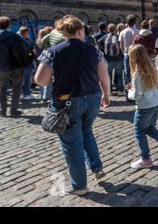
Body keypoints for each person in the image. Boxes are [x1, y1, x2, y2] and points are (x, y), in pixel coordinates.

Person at [35, 15, 110, 196]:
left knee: (71, 145)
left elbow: (41, 81)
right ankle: (96, 167)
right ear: (79, 31)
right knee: (86, 131)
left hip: (67, 101)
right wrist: (107, 94)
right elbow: (103, 76)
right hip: (92, 98)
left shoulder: (53, 51)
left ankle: (79, 186)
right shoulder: (94, 50)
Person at [0, 16, 25, 117]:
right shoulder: (14, 35)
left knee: (2, 88)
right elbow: (27, 45)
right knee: (17, 88)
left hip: (1, 67)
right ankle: (14, 111)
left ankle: (2, 111)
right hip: (17, 65)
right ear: (9, 25)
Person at [99, 24, 124, 95]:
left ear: (108, 29)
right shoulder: (118, 36)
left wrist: (104, 50)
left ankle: (109, 91)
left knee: (108, 76)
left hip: (108, 59)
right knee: (119, 76)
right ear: (115, 29)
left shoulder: (105, 37)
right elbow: (121, 45)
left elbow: (98, 42)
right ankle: (120, 91)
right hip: (118, 59)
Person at [119, 15, 139, 98]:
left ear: (126, 22)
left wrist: (125, 52)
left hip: (127, 54)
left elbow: (121, 46)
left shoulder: (123, 32)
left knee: (127, 75)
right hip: (136, 54)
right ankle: (136, 92)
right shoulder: (138, 31)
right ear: (134, 22)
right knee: (136, 73)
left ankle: (128, 94)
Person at [18, 26, 36, 100]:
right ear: (25, 33)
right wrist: (32, 54)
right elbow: (30, 52)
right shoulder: (27, 41)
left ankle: (20, 94)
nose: (28, 33)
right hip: (27, 62)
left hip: (18, 63)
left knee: (19, 80)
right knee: (27, 79)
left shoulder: (16, 40)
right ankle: (27, 94)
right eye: (27, 32)